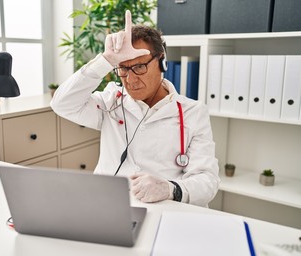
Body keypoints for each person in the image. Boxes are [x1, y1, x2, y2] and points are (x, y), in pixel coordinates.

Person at [51, 10, 219, 207]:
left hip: (165, 209)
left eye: (139, 67)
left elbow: (208, 181)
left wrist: (169, 188)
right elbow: (61, 103)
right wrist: (106, 60)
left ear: (162, 61)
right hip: (108, 207)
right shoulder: (111, 101)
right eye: (123, 68)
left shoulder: (193, 112)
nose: (130, 80)